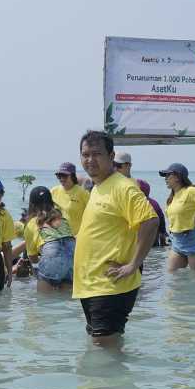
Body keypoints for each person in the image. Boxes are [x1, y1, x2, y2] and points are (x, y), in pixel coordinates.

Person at [72, 131, 158, 347]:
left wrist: (133, 265)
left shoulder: (123, 187)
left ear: (111, 157)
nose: (90, 160)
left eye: (97, 154)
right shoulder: (98, 187)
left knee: (105, 352)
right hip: (92, 284)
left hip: (111, 286)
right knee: (103, 349)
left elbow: (150, 221)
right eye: (85, 154)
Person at [19, 185, 76, 292]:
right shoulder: (63, 219)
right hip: (72, 256)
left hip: (52, 255)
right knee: (65, 300)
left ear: (32, 205)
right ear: (51, 201)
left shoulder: (32, 223)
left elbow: (33, 258)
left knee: (43, 302)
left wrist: (41, 261)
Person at [51, 162, 90, 233]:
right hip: (57, 235)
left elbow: (91, 215)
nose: (61, 179)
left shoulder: (82, 192)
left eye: (64, 176)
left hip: (75, 237)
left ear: (72, 176)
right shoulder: (53, 191)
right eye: (59, 176)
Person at [135, 179, 169, 247]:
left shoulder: (135, 203)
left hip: (138, 240)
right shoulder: (154, 203)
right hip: (153, 238)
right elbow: (162, 221)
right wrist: (163, 235)